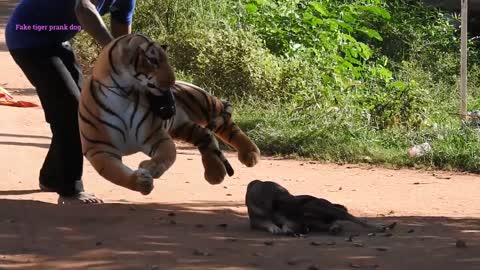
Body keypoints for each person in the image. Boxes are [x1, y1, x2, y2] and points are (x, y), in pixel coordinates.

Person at [5, 0, 137, 204]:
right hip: (28, 38)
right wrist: (113, 52)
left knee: (82, 109)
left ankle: (51, 177)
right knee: (70, 111)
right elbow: (83, 8)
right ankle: (70, 189)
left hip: (58, 41)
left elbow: (121, 28)